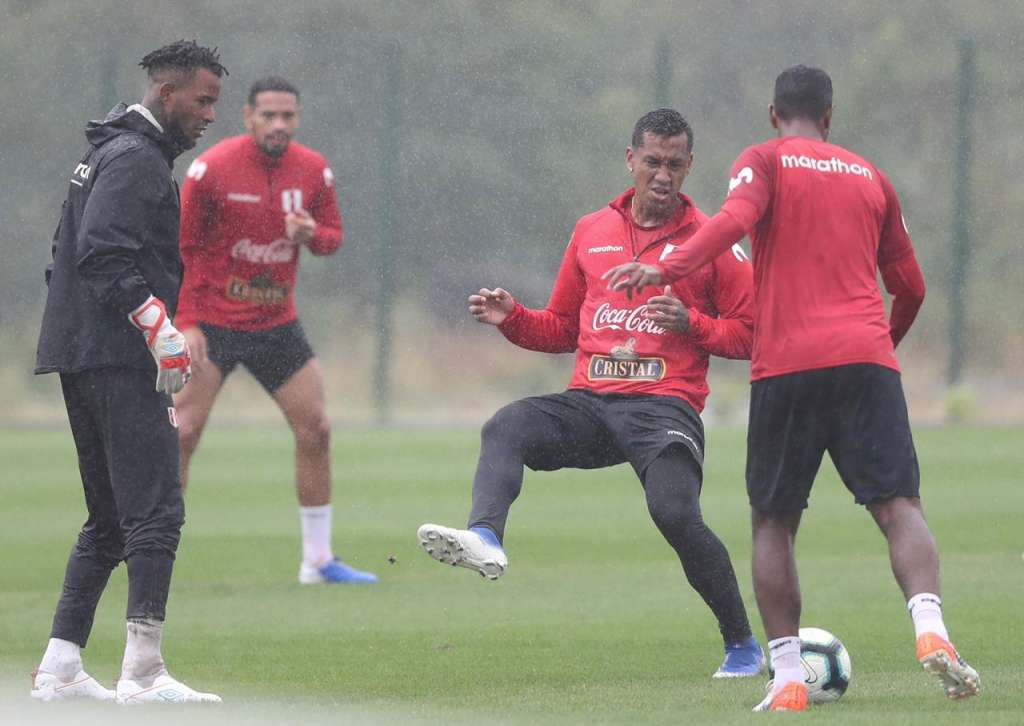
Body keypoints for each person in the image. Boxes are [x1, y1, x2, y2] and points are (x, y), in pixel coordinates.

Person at [604, 66, 980, 711]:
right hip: (867, 360)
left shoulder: (764, 160)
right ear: (829, 117)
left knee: (774, 521)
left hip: (788, 366)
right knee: (898, 507)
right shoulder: (872, 177)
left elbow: (730, 222)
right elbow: (912, 287)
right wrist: (880, 345)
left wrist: (665, 265)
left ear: (774, 113)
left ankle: (786, 676)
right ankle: (931, 630)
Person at [418, 109, 764, 678]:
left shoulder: (715, 242)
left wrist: (691, 325)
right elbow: (560, 327)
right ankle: (485, 536)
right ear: (630, 160)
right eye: (652, 161)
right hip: (591, 403)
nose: (663, 174)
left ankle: (742, 645)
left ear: (690, 167)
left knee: (674, 512)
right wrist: (513, 319)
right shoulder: (591, 230)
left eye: (675, 164)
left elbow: (751, 335)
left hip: (664, 408)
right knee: (507, 424)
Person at [32, 40, 227, 704]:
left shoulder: (105, 151)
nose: (209, 116)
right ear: (165, 93)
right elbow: (101, 253)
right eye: (202, 101)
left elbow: (69, 253)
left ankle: (60, 667)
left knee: (110, 519)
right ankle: (142, 673)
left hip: (82, 351)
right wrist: (157, 328)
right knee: (156, 513)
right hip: (115, 357)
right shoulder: (136, 161)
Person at [173, 76, 376, 585]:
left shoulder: (313, 170)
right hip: (212, 326)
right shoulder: (212, 168)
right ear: (248, 116)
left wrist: (312, 235)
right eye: (269, 115)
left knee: (317, 429)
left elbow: (333, 239)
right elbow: (181, 249)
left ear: (298, 119)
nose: (279, 124)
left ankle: (318, 561)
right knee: (181, 434)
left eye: (289, 116)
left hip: (275, 324)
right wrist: (186, 321)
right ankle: (156, 557)